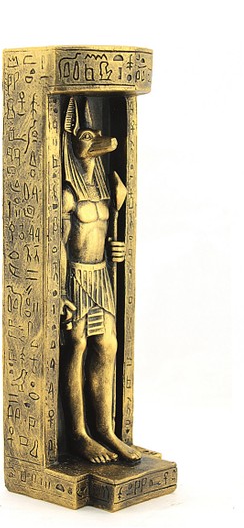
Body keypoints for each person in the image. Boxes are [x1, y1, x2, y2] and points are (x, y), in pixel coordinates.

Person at [60, 97, 142, 464]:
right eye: (87, 136)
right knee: (77, 345)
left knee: (107, 345)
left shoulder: (107, 190)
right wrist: (59, 292)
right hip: (76, 275)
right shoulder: (68, 195)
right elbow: (59, 245)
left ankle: (105, 429)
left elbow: (108, 236)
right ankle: (79, 434)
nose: (96, 142)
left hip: (101, 275)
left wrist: (116, 251)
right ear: (73, 143)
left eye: (97, 135)